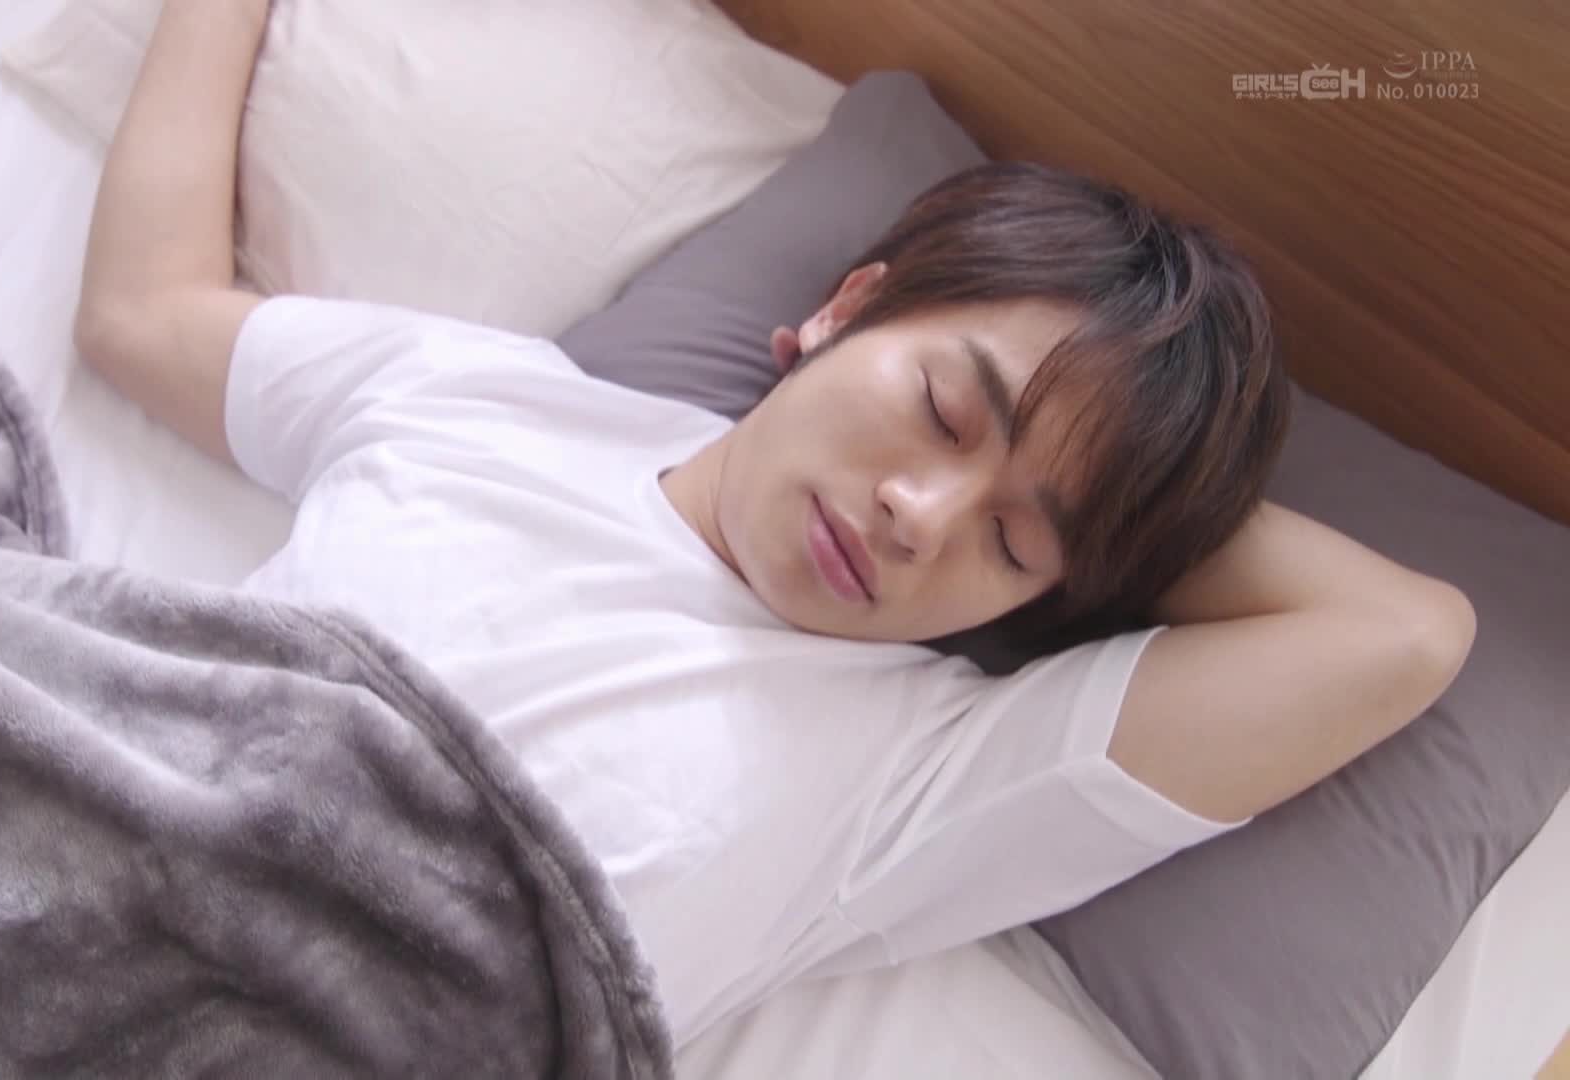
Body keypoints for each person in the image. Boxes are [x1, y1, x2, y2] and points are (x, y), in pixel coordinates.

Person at [73, 0, 1478, 1049]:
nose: (921, 516)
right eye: (944, 411)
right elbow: (143, 314)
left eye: (1012, 543)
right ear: (846, 308)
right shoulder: (477, 401)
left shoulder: (917, 774)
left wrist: (1136, 488)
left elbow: (1404, 634)